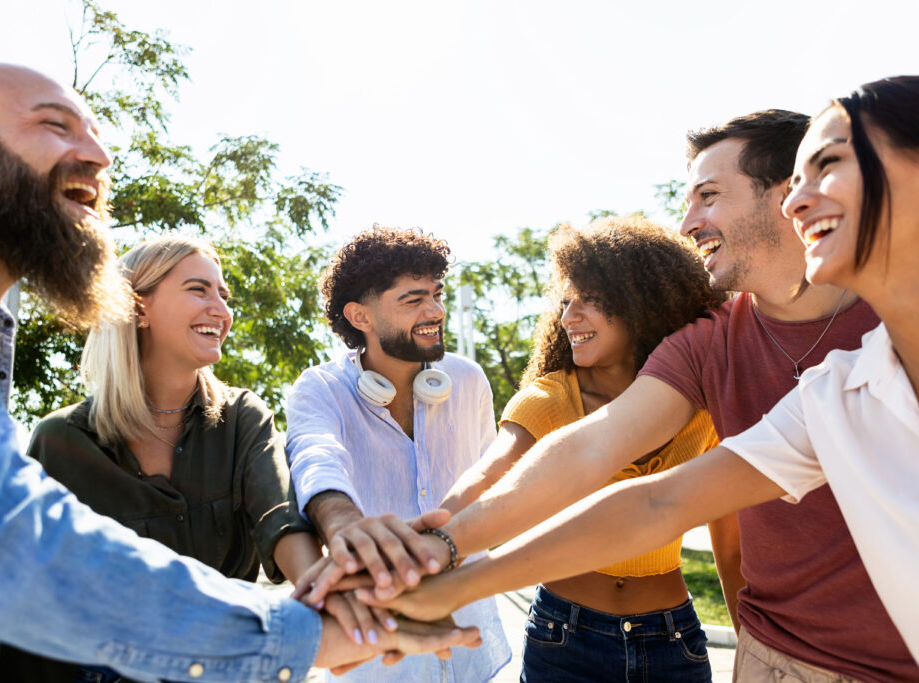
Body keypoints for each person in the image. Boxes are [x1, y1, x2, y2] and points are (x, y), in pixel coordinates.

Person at [0, 63, 480, 683]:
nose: (97, 153)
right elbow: (4, 541)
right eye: (54, 125)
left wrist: (335, 597)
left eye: (95, 133)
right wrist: (310, 635)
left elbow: (277, 513)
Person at [313, 109, 918, 680]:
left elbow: (684, 511)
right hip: (775, 657)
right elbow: (613, 471)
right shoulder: (707, 346)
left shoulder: (895, 326)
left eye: (709, 196)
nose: (687, 225)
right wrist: (436, 558)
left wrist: (436, 575)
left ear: (794, 193)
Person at [0, 235, 322, 682]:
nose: (221, 310)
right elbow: (31, 601)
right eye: (199, 289)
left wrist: (323, 593)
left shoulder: (243, 418)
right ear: (138, 307)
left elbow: (280, 519)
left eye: (222, 295)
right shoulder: (60, 440)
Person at [438, 215, 725, 681]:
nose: (568, 317)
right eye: (566, 302)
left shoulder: (702, 406)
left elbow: (730, 538)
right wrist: (428, 542)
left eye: (590, 300)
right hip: (566, 638)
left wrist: (751, 640)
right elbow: (488, 476)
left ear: (642, 304)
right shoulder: (550, 397)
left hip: (674, 640)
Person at [285, 226, 511, 681]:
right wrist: (342, 520)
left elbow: (494, 481)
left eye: (437, 294)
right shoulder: (321, 388)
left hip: (474, 645)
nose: (436, 311)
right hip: (378, 663)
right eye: (413, 300)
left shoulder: (468, 380)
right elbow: (315, 455)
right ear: (360, 316)